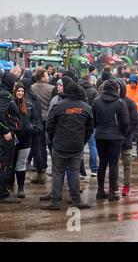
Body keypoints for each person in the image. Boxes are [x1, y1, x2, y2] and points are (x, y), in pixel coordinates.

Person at [43, 82, 93, 210]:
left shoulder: (58, 106)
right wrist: (83, 141)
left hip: (60, 144)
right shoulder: (86, 107)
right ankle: (76, 199)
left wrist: (54, 137)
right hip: (77, 145)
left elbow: (50, 125)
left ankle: (55, 202)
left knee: (58, 172)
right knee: (74, 172)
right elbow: (90, 128)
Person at [92, 80, 129, 201]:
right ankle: (112, 192)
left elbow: (93, 120)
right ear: (115, 89)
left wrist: (99, 128)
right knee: (113, 164)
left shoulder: (97, 101)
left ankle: (100, 191)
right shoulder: (120, 103)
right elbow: (125, 122)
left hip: (100, 136)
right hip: (115, 137)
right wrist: (122, 133)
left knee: (102, 163)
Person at [10, 83, 35, 198]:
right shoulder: (9, 104)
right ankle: (9, 186)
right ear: (14, 91)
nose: (20, 93)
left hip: (26, 139)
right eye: (18, 91)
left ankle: (20, 188)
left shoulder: (29, 105)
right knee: (11, 163)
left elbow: (35, 118)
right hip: (12, 138)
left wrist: (32, 127)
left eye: (22, 91)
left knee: (21, 163)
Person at [0, 72, 22, 204]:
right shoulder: (5, 94)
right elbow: (0, 113)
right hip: (4, 137)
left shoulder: (3, 92)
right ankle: (3, 194)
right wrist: (6, 131)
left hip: (5, 135)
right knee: (3, 165)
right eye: (14, 83)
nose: (15, 86)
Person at [31, 68, 54, 184]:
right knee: (51, 143)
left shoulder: (31, 88)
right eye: (47, 76)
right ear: (42, 77)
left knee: (39, 145)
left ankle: (41, 169)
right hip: (49, 119)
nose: (49, 77)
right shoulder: (51, 88)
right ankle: (56, 168)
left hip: (36, 119)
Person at [115, 79, 138, 196]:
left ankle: (126, 186)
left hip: (125, 138)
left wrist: (126, 133)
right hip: (113, 139)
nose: (117, 90)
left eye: (119, 88)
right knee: (114, 164)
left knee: (126, 164)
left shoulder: (130, 103)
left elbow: (134, 121)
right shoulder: (111, 102)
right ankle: (114, 185)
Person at [79, 75, 99, 176]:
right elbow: (96, 107)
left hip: (79, 120)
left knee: (80, 146)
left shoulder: (78, 89)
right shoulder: (93, 91)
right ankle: (94, 169)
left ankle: (80, 169)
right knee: (92, 145)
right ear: (89, 80)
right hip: (91, 120)